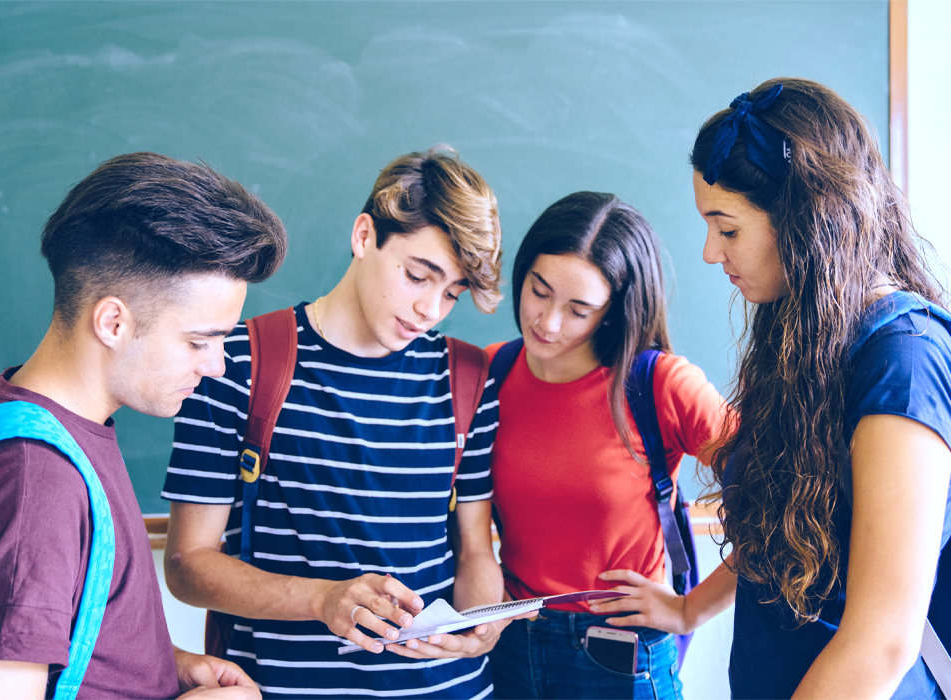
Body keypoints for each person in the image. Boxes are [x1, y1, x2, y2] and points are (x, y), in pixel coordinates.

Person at [617, 78, 951, 698]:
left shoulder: (903, 362)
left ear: (805, 219)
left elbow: (882, 640)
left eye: (728, 228)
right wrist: (690, 611)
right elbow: (788, 525)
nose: (711, 253)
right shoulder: (806, 340)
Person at [161, 146, 507, 699]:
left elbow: (473, 551)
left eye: (452, 293)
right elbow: (186, 564)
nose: (431, 310)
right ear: (365, 236)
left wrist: (483, 623)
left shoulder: (468, 378)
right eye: (419, 276)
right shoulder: (237, 363)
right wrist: (323, 599)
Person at [0, 152, 289, 699]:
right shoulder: (42, 480)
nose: (217, 364)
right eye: (199, 341)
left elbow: (59, 636)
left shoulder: (64, 431)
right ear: (113, 322)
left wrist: (164, 663)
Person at [483, 191, 727, 699]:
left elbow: (786, 502)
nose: (547, 322)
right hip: (507, 646)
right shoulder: (489, 373)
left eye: (578, 309)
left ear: (614, 311)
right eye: (538, 291)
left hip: (616, 654)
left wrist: (691, 609)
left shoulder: (659, 384)